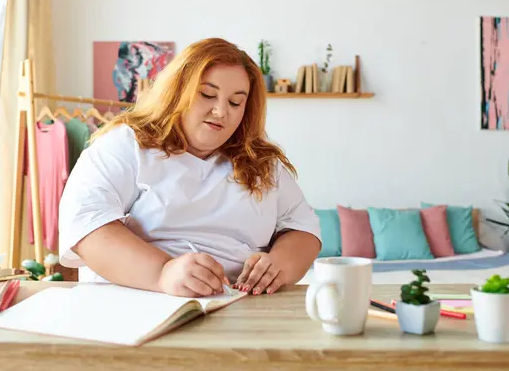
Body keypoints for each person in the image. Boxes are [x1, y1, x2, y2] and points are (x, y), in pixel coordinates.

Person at [58, 37, 322, 298]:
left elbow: (303, 228)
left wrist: (280, 264)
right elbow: (86, 224)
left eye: (235, 102)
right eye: (207, 94)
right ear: (178, 91)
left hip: (238, 304)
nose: (221, 111)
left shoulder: (264, 164)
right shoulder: (126, 144)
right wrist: (162, 273)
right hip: (137, 299)